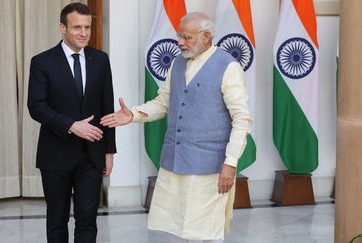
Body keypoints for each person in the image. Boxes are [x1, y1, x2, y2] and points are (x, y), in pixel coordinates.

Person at [101, 12, 251, 243]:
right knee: (174, 229)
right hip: (175, 162)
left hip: (208, 167)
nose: (180, 42)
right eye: (179, 36)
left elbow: (242, 119)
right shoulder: (177, 63)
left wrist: (230, 163)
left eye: (187, 37)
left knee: (205, 232)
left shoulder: (227, 66)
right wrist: (132, 114)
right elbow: (163, 103)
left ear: (207, 37)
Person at [27, 2, 116, 243]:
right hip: (55, 154)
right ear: (62, 28)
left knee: (88, 219)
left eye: (87, 27)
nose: (84, 33)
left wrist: (109, 150)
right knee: (57, 220)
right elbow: (36, 106)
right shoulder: (42, 62)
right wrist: (71, 125)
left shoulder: (100, 60)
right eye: (77, 27)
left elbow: (107, 107)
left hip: (92, 154)